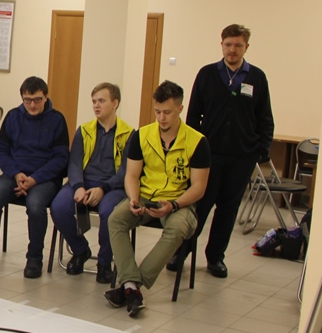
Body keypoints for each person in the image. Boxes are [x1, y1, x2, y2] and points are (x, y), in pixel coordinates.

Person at [171, 24, 274, 278]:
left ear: (246, 47)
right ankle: (181, 252)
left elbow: (265, 118)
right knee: (199, 205)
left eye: (238, 45)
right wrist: (193, 150)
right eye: (228, 44)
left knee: (228, 209)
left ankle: (216, 258)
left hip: (242, 156)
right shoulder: (207, 74)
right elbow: (193, 116)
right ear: (221, 45)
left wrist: (260, 151)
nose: (232, 50)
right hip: (209, 156)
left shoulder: (257, 77)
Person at [106, 81, 211, 316]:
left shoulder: (197, 141)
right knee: (116, 219)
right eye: (157, 112)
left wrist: (173, 205)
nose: (161, 118)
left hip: (179, 201)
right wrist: (134, 199)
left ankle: (132, 286)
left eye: (167, 112)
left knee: (177, 229)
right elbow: (132, 175)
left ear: (180, 109)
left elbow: (199, 187)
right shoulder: (142, 135)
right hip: (146, 196)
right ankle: (131, 284)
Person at [0, 77, 69, 279]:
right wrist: (16, 174)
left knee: (35, 206)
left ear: (45, 97)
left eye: (37, 100)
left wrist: (35, 179)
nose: (32, 105)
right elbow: (1, 151)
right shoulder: (13, 117)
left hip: (45, 178)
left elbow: (61, 158)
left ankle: (34, 259)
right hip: (15, 174)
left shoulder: (57, 120)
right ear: (22, 98)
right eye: (27, 100)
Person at [49, 83, 132, 284]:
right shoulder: (84, 130)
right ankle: (80, 250)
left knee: (110, 213)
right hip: (84, 182)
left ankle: (104, 263)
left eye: (101, 101)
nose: (96, 105)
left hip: (112, 187)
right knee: (58, 207)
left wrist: (102, 189)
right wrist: (78, 186)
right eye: (94, 101)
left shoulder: (129, 134)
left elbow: (126, 172)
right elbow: (75, 163)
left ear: (115, 103)